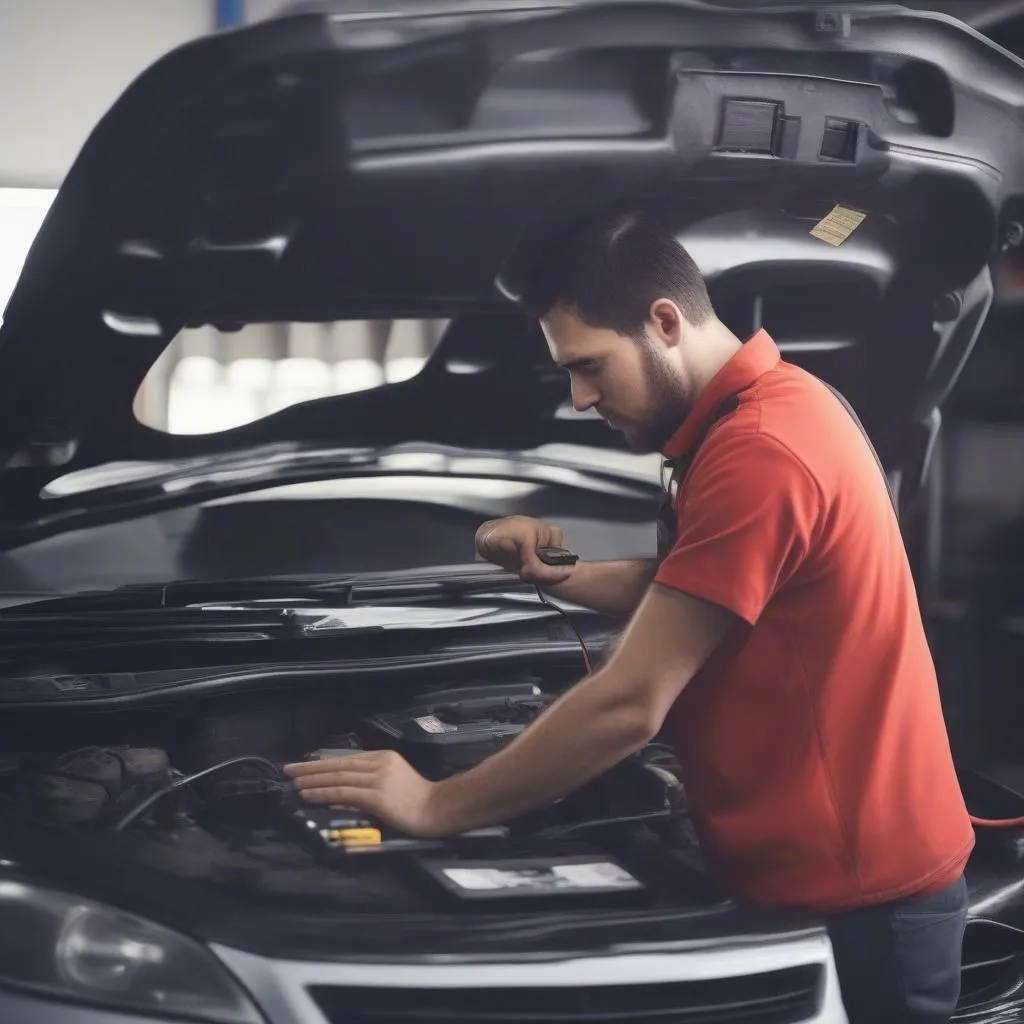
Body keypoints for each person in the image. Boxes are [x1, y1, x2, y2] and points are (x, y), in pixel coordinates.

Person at [285, 208, 974, 1023]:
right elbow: (708, 587)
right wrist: (559, 574)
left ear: (664, 322)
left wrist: (440, 804)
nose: (578, 399)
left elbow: (629, 703)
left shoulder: (762, 449)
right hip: (818, 870)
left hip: (863, 900)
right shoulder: (764, 411)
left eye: (588, 366)